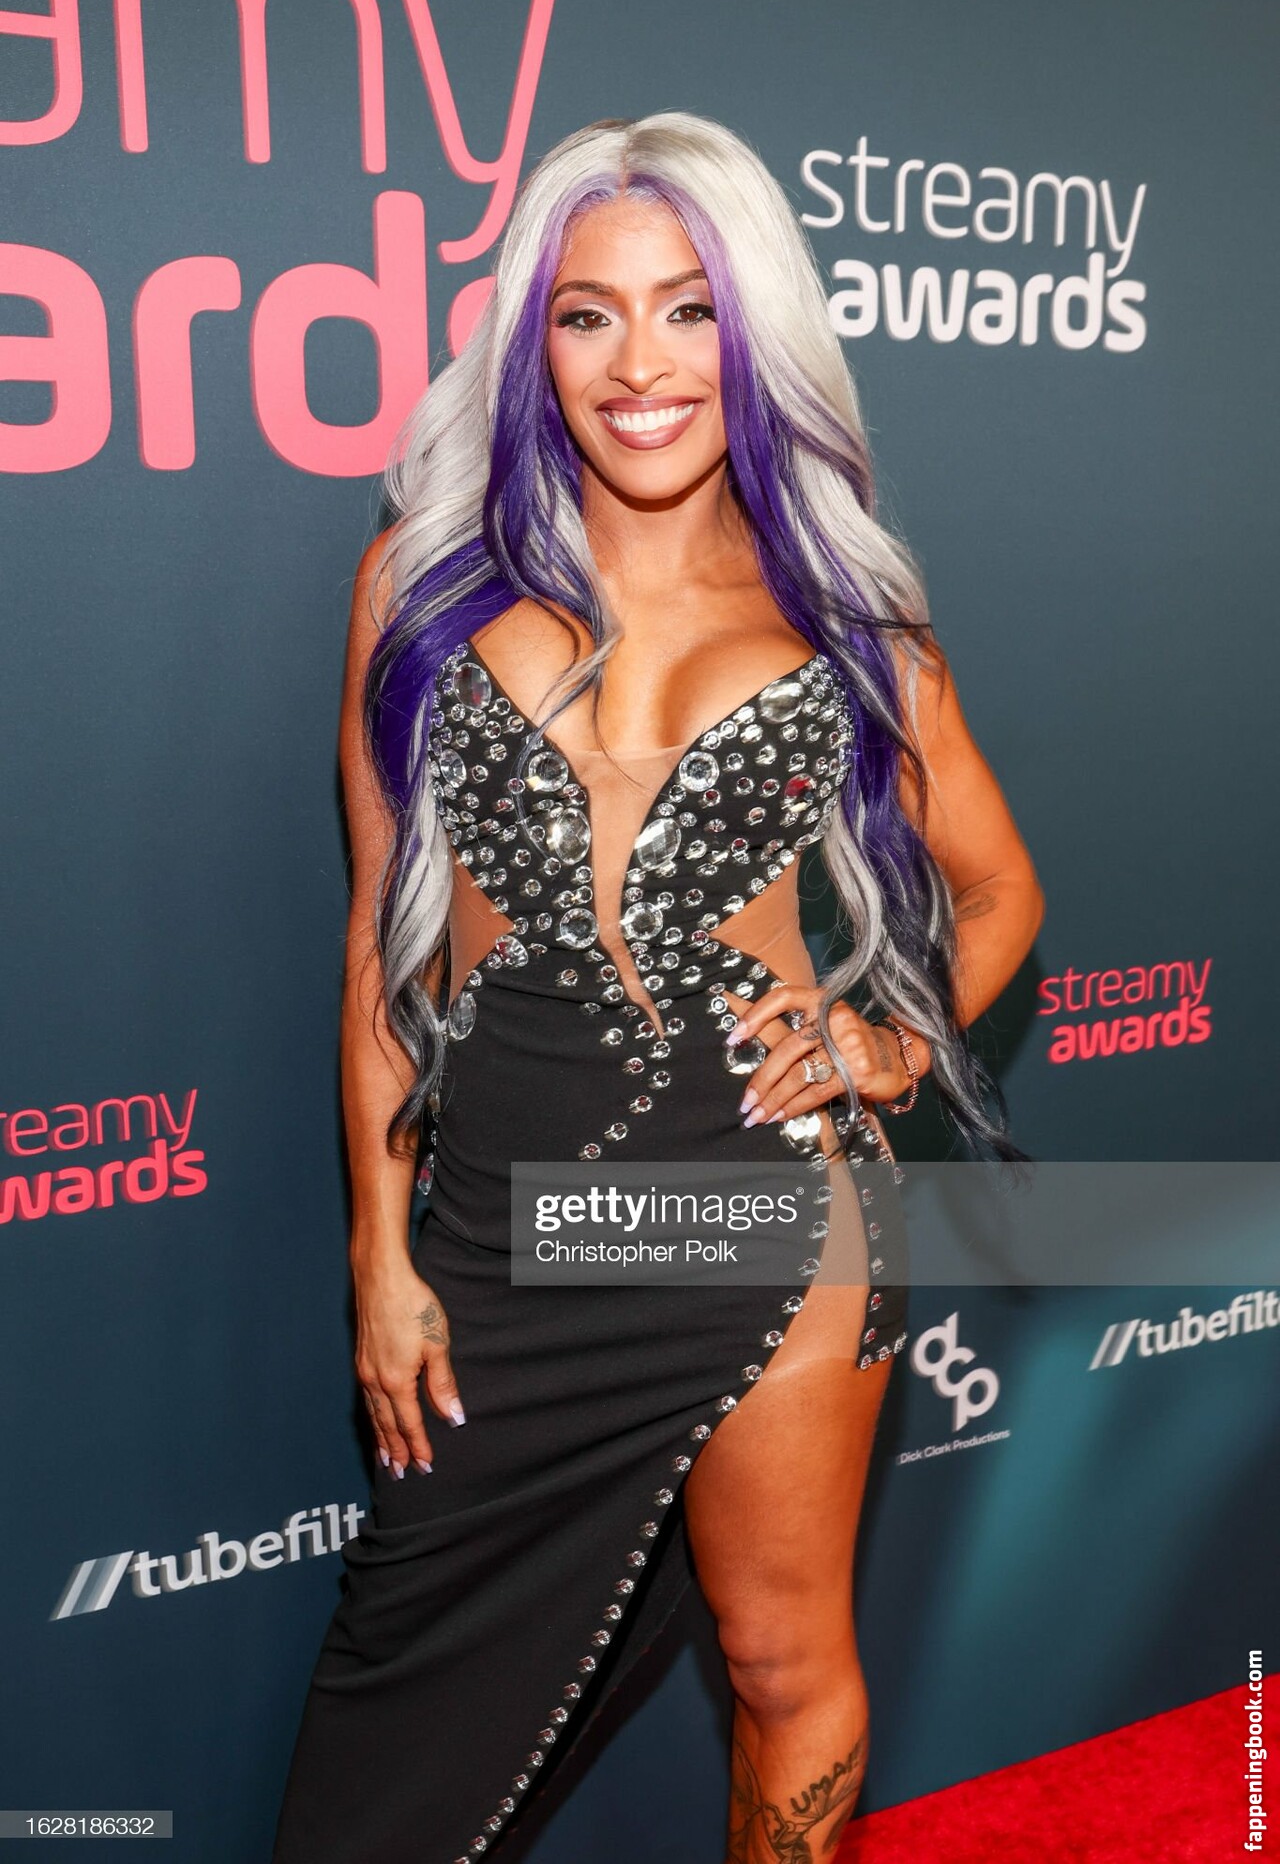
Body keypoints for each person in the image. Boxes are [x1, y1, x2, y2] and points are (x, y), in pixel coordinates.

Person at [272, 111, 1043, 1864]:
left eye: (690, 310)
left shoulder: (844, 615)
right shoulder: (419, 591)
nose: (641, 366)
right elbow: (381, 942)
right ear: (531, 344)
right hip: (506, 1222)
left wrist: (889, 1039)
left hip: (765, 1208)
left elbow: (1002, 889)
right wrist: (382, 1255)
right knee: (395, 1695)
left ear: (753, 334)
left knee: (782, 1663)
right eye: (589, 314)